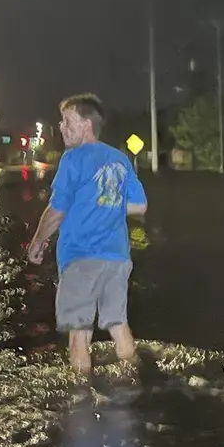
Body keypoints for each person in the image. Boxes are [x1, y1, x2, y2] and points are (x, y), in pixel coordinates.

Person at [26, 93, 147, 374]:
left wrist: (38, 241)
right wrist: (105, 205)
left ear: (86, 125)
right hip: (117, 258)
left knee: (78, 336)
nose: (62, 127)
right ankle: (134, 385)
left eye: (68, 121)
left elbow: (56, 211)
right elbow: (140, 205)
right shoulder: (120, 159)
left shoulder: (73, 158)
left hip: (80, 257)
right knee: (119, 325)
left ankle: (80, 403)